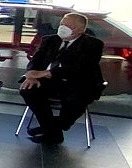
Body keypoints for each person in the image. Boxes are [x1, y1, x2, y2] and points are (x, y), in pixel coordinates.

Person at [19, 12, 105, 144]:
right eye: (62, 24)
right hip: (50, 82)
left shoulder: (93, 44)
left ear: (80, 29)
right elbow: (35, 60)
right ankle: (52, 131)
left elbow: (79, 69)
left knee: (75, 99)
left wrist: (46, 73)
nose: (63, 28)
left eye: (69, 26)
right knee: (28, 90)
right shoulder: (50, 40)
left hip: (78, 83)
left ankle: (51, 128)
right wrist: (31, 75)